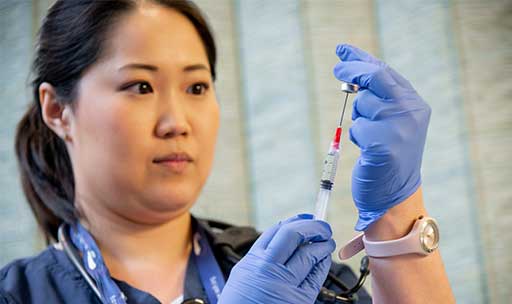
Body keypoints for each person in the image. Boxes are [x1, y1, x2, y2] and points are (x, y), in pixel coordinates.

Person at [0, 0, 455, 303]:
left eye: (197, 86)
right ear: (58, 110)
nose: (177, 121)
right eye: (140, 86)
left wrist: (395, 217)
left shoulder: (296, 279)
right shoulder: (18, 294)